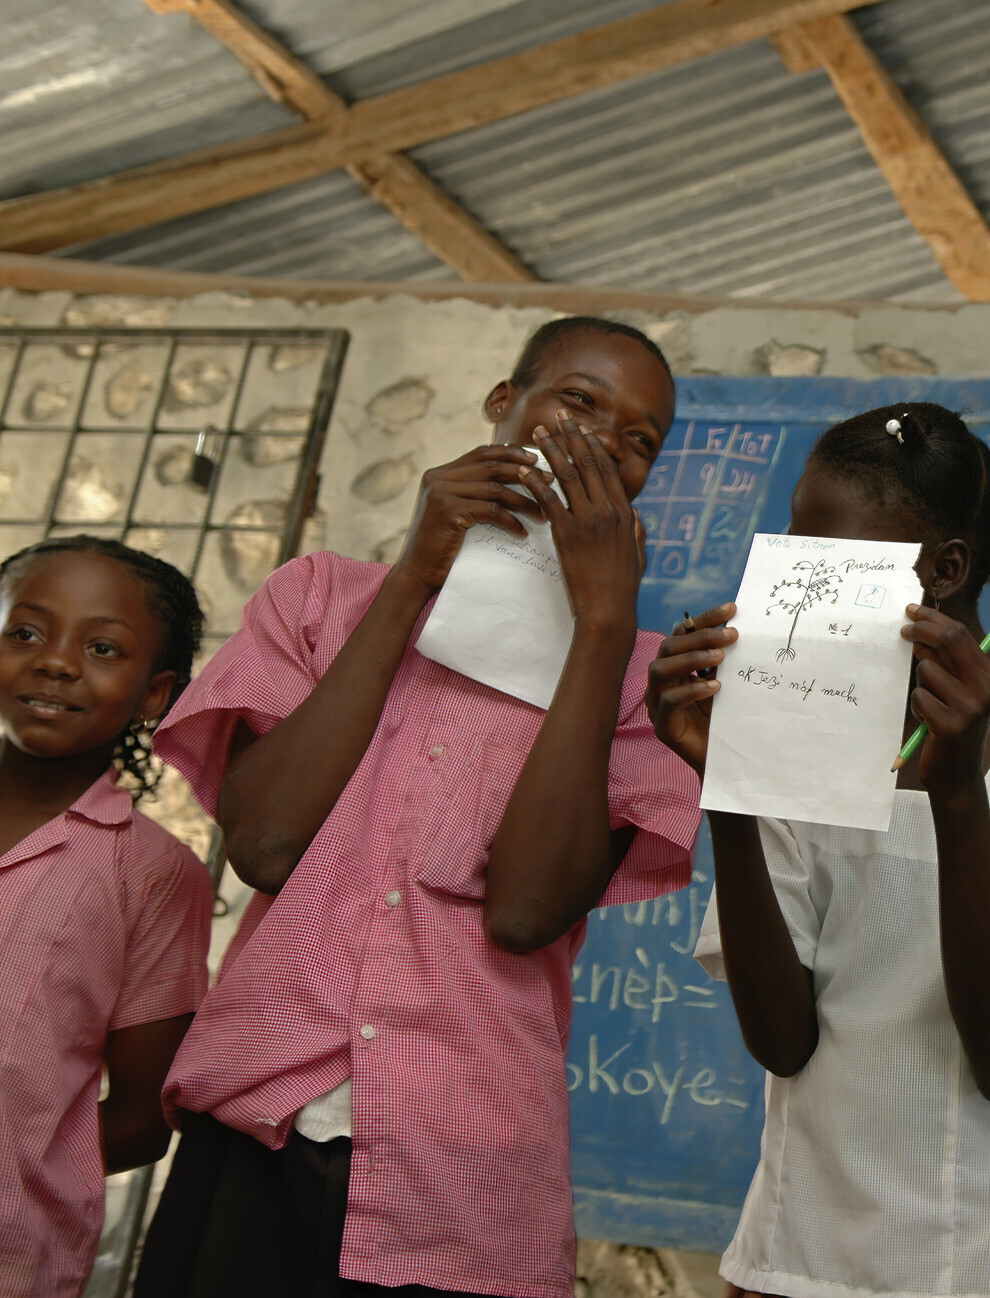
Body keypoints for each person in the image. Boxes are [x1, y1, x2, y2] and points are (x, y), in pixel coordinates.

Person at [134, 317, 700, 1298]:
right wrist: (412, 576)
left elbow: (527, 909)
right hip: (258, 1121)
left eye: (638, 438)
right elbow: (264, 845)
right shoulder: (318, 597)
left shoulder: (642, 681)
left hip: (462, 1169)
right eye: (577, 401)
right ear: (501, 404)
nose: (604, 442)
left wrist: (603, 623)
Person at [651, 403, 990, 1298]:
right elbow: (781, 1040)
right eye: (794, 559)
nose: (799, 593)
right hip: (796, 1255)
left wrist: (957, 792)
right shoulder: (797, 732)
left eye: (833, 565)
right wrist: (728, 781)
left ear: (945, 570)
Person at [0, 537, 210, 1298]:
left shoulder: (153, 877)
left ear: (153, 696)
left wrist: (21, 1158)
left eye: (101, 647)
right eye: (24, 632)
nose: (54, 661)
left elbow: (143, 1117)